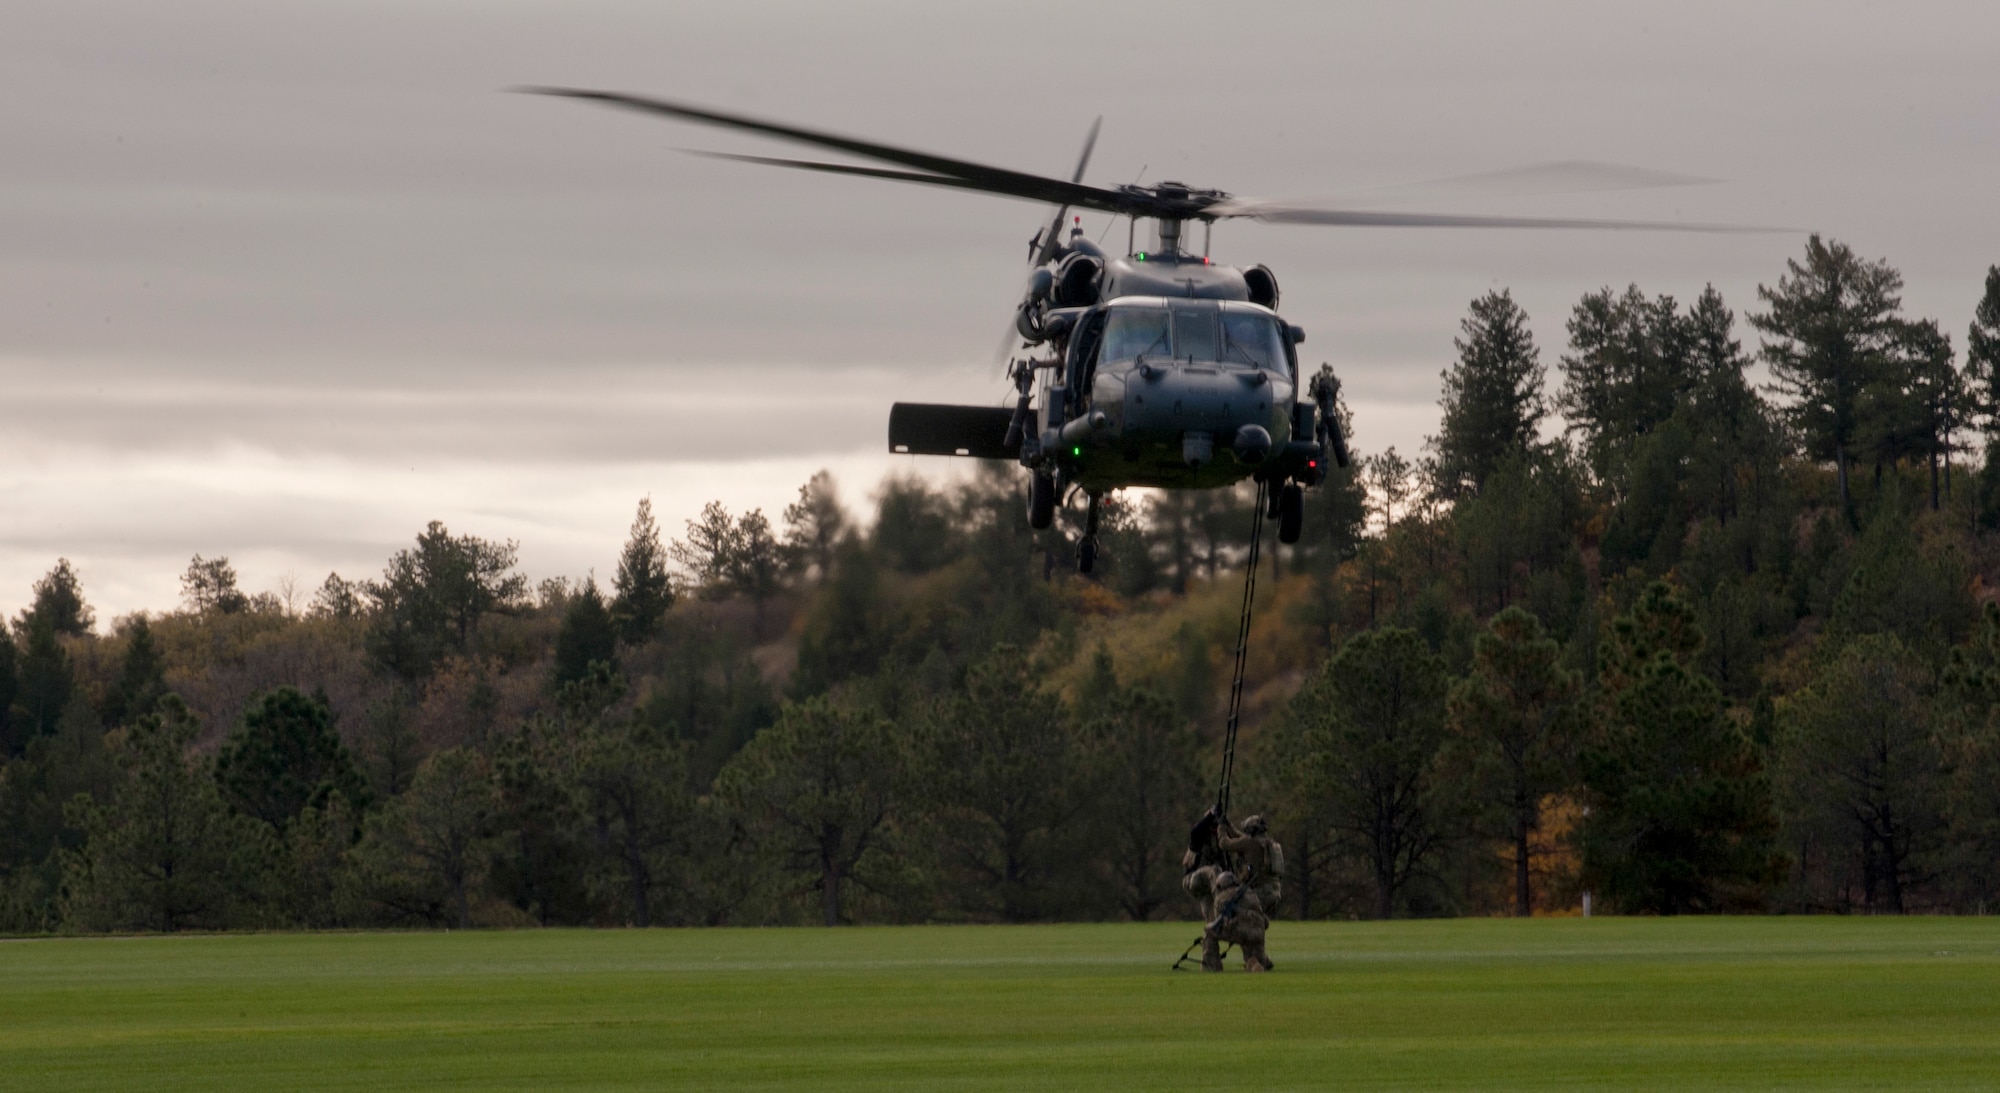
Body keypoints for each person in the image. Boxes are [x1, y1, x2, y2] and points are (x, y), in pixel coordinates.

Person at [1202, 870, 1271, 972]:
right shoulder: (1251, 894)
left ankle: (1212, 964)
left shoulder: (1220, 898)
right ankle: (1258, 962)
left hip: (1239, 931)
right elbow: (1265, 920)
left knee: (1209, 930)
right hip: (1258, 932)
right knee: (1254, 955)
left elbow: (1220, 922)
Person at [1218, 813, 1283, 920]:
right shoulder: (1269, 843)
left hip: (1258, 892)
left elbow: (1224, 844)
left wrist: (1221, 828)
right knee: (1259, 921)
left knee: (1232, 910)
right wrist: (1228, 825)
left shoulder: (1249, 843)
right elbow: (1241, 838)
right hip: (1274, 891)